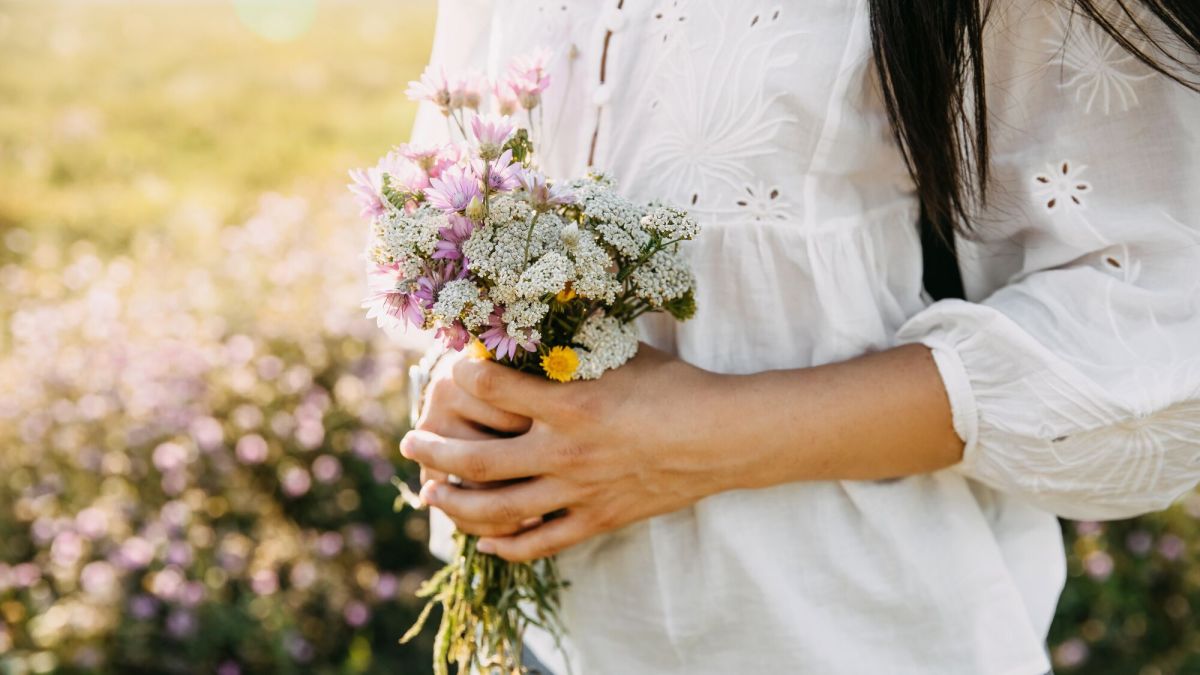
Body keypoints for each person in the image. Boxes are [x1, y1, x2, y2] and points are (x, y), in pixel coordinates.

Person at [400, 1, 1200, 672]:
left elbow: (1159, 307)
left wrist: (699, 437)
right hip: (551, 639)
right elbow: (458, 162)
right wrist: (471, 374)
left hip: (851, 632)